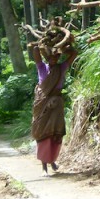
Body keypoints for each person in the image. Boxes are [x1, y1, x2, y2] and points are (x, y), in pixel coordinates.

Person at [30, 40, 77, 174]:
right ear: (47, 57)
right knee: (42, 133)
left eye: (56, 57)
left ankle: (52, 160)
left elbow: (74, 54)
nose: (54, 59)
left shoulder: (61, 68)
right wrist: (37, 45)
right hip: (42, 104)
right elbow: (36, 54)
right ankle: (44, 166)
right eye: (51, 57)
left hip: (56, 105)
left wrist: (65, 47)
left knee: (55, 133)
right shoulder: (42, 67)